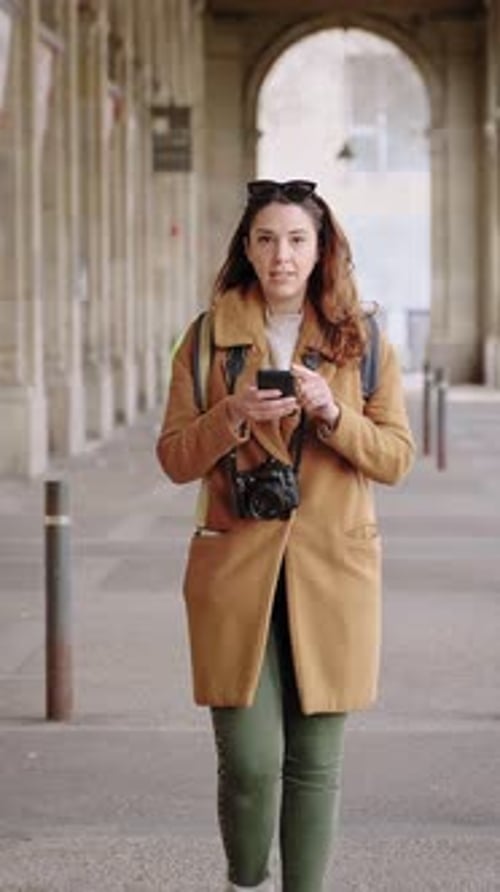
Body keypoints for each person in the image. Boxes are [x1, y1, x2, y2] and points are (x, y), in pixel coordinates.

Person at [156, 178, 415, 892]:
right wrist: (232, 414)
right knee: (249, 762)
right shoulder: (206, 336)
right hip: (233, 571)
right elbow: (175, 457)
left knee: (314, 764)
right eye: (267, 239)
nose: (282, 255)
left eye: (298, 239)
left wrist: (335, 415)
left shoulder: (361, 340)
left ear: (321, 248)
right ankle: (245, 879)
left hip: (333, 570)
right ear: (247, 247)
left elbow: (395, 457)